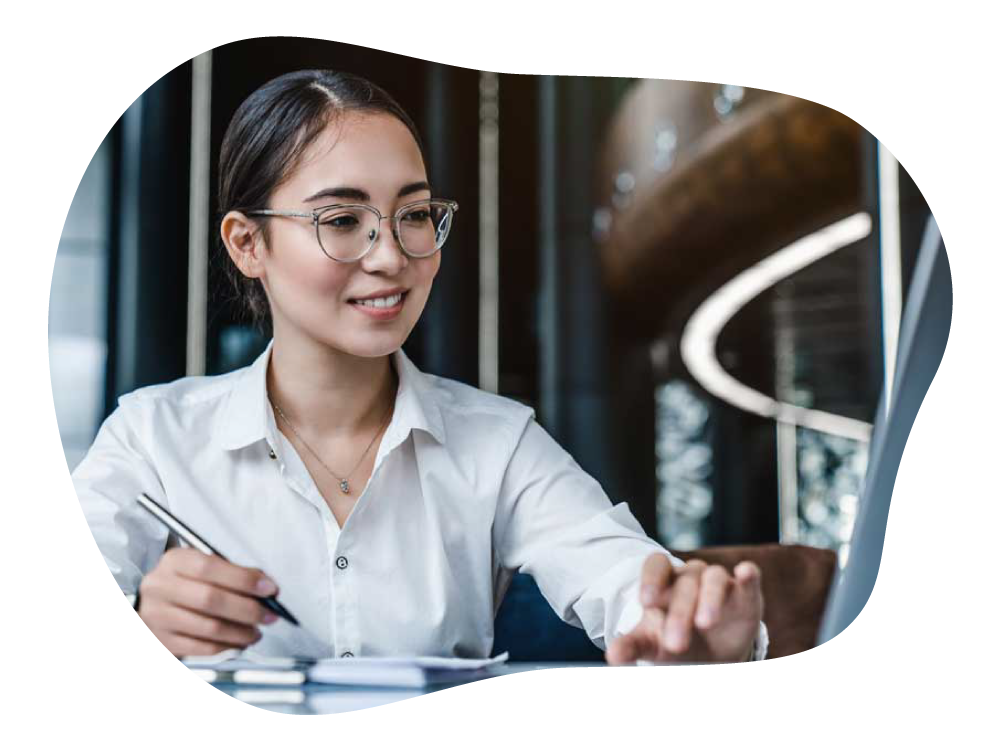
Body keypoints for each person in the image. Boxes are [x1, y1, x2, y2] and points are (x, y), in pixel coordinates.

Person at [73, 69, 768, 664]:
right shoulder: (152, 437)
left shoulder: (496, 443)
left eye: (413, 214)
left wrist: (695, 627)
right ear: (248, 243)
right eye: (342, 221)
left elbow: (619, 576)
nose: (391, 256)